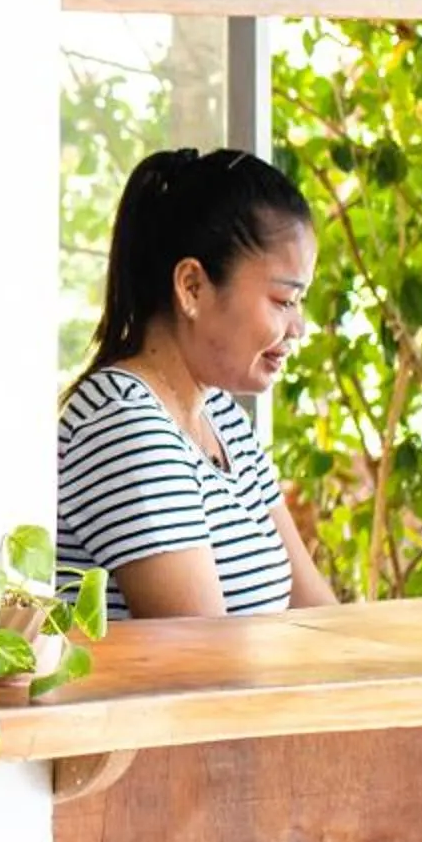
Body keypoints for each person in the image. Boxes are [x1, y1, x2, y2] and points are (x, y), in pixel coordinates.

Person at [57, 147, 337, 620]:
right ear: (192, 287)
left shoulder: (220, 416)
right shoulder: (123, 426)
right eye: (283, 300)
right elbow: (204, 662)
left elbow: (320, 616)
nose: (298, 328)